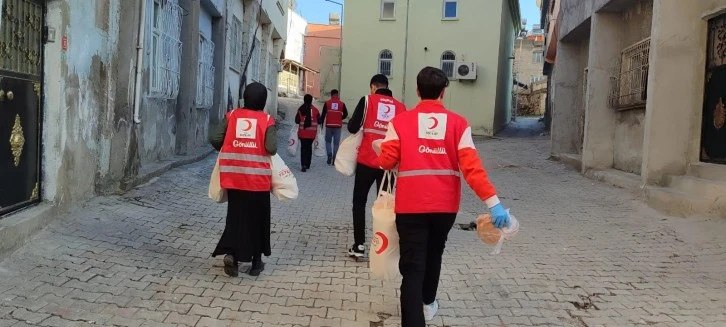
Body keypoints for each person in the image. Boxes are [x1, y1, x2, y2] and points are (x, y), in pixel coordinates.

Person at [374, 67, 511, 326]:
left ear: (417, 90)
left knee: (413, 266)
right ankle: (427, 304)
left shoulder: (400, 122)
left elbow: (387, 160)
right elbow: (472, 168)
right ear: (443, 92)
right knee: (434, 254)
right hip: (444, 208)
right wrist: (494, 204)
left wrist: (380, 150)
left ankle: (415, 317)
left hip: (410, 206)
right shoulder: (459, 124)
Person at [209, 82, 277, 277]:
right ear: (263, 101)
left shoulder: (232, 116)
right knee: (258, 221)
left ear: (245, 98)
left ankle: (232, 255)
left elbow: (215, 139)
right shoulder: (267, 120)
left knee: (236, 218)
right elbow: (271, 148)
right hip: (258, 183)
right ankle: (256, 263)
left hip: (234, 179)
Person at [346, 74, 406, 258]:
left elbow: (352, 127)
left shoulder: (367, 101)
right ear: (387, 87)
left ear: (373, 87)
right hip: (388, 165)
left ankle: (359, 246)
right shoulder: (400, 107)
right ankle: (384, 246)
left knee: (359, 202)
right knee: (385, 205)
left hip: (366, 161)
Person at [319, 89, 348, 165]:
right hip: (338, 126)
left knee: (328, 142)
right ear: (337, 95)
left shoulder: (327, 103)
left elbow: (323, 115)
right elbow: (346, 113)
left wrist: (320, 124)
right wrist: (340, 118)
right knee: (336, 143)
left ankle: (329, 155)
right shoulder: (342, 104)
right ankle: (334, 159)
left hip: (329, 126)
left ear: (331, 95)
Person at [295, 94, 320, 172]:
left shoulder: (301, 109)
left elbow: (296, 121)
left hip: (303, 133)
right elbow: (319, 121)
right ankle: (308, 164)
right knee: (309, 148)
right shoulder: (315, 110)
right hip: (312, 134)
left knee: (303, 149)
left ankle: (303, 165)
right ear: (311, 100)